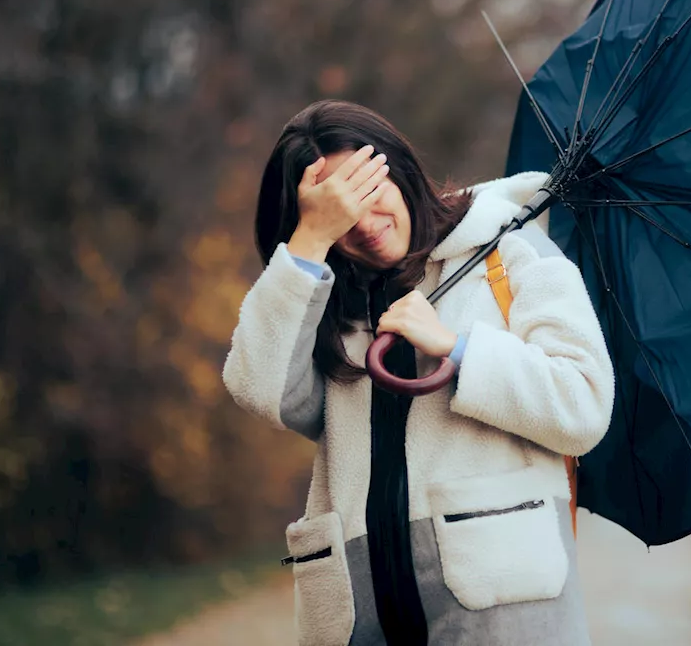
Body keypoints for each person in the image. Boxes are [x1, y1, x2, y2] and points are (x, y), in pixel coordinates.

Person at [222, 100, 614, 645]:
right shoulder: (326, 298)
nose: (364, 224)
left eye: (368, 190)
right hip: (359, 612)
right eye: (337, 213)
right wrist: (309, 242)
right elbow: (256, 388)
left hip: (497, 609)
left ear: (400, 168)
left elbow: (583, 405)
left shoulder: (510, 252)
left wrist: (457, 349)